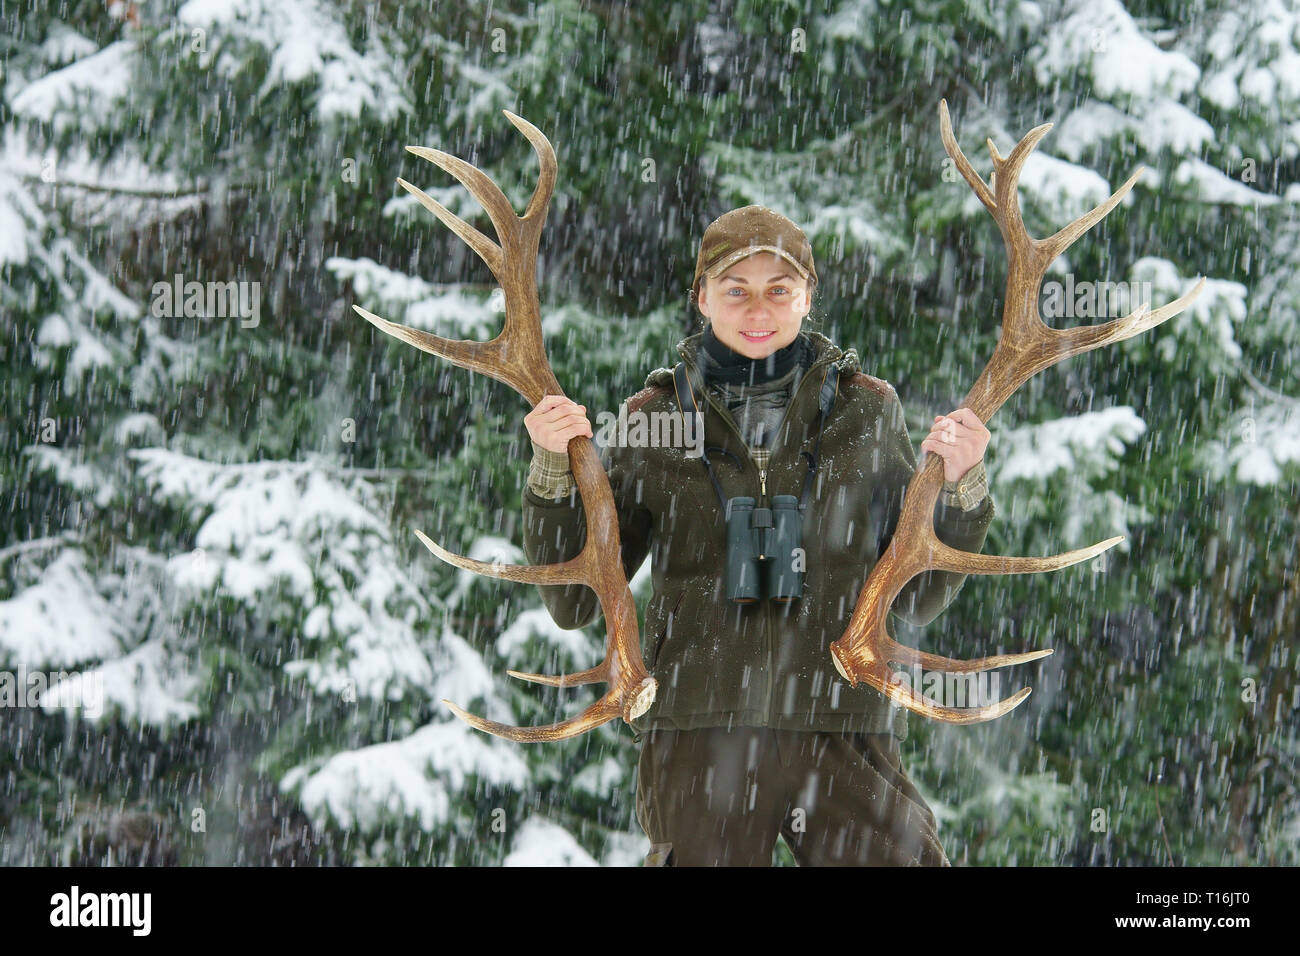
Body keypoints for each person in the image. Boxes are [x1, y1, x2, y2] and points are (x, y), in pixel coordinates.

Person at [520, 205, 994, 866]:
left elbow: (915, 597)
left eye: (779, 289)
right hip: (698, 733)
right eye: (735, 289)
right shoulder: (653, 421)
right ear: (702, 298)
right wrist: (551, 467)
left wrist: (963, 488)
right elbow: (574, 602)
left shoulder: (868, 411)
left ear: (808, 298)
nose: (757, 308)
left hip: (838, 724)